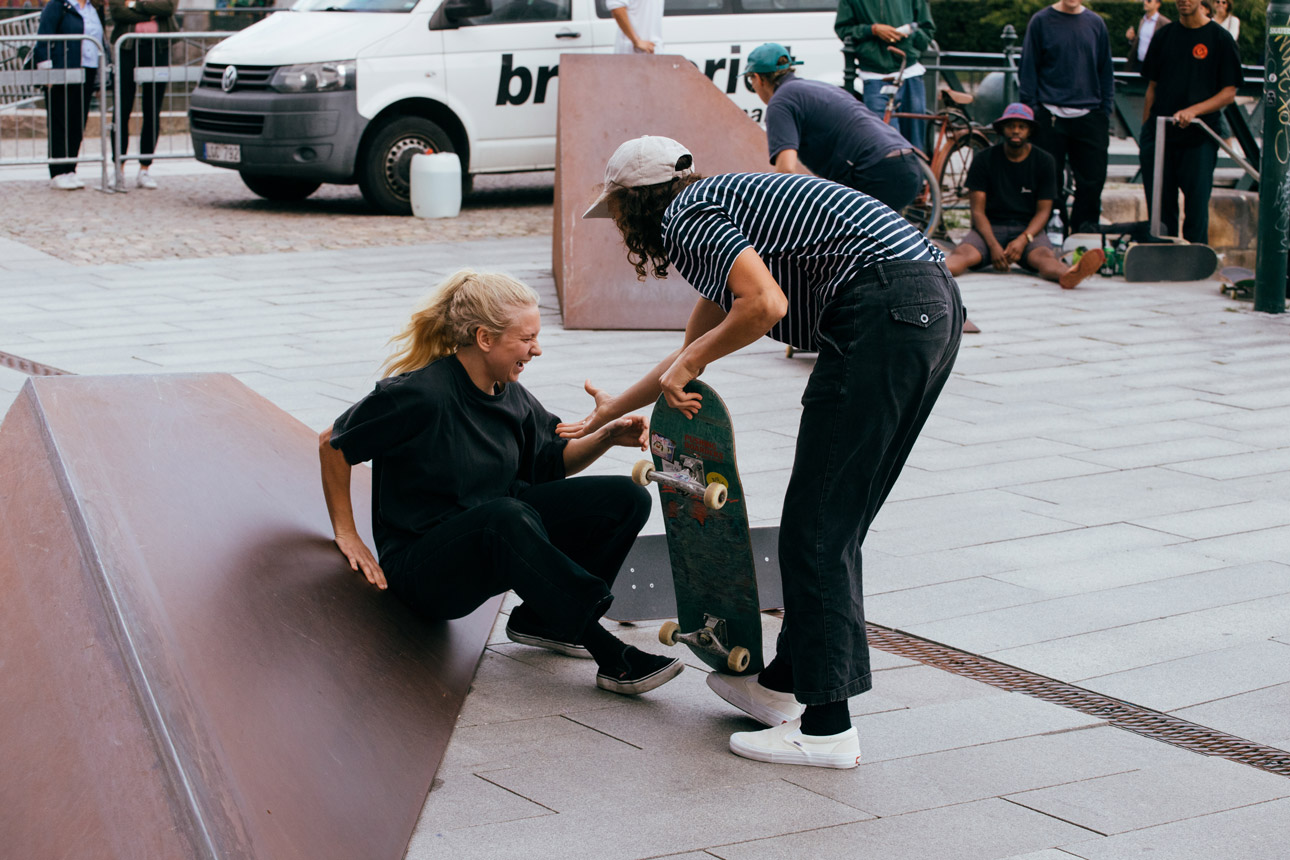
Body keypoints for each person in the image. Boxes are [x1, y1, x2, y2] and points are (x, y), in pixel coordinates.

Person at [572, 136, 961, 769]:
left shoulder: (688, 217)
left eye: (615, 212)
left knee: (815, 528)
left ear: (633, 202)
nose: (617, 226)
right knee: (835, 524)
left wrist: (694, 360)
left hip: (884, 311)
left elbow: (765, 306)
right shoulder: (725, 213)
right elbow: (685, 359)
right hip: (927, 304)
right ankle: (782, 684)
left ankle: (828, 729)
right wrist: (612, 409)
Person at [319, 269, 684, 697]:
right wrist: (346, 532)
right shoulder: (420, 394)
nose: (537, 349)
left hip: (497, 533)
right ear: (485, 338)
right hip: (424, 568)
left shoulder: (509, 393)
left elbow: (551, 463)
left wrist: (604, 437)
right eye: (526, 338)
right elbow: (333, 443)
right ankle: (610, 655)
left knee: (624, 498)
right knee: (505, 516)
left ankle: (544, 620)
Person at [744, 42, 921, 213]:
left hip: (876, 173)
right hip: (906, 163)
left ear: (758, 79)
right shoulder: (814, 87)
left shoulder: (780, 102)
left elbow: (787, 170)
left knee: (833, 233)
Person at [945, 104, 1104, 289]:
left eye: (1022, 126)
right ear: (1002, 129)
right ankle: (929, 272)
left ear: (1030, 130)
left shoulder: (1044, 161)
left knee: (1045, 258)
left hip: (1028, 230)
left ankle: (1070, 274)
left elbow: (1044, 211)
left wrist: (1023, 239)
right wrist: (994, 246)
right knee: (962, 255)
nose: (1016, 131)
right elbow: (977, 212)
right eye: (1011, 126)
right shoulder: (984, 159)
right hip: (989, 229)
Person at [1139, 0, 1241, 244]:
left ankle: (1194, 263)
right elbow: (1151, 88)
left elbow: (1229, 92)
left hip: (1199, 138)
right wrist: (1146, 135)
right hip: (1161, 136)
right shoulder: (1164, 36)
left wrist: (1194, 110)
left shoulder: (1220, 38)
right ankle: (1163, 259)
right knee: (1161, 210)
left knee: (1196, 208)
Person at [1019, 0, 1114, 235]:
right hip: (1050, 114)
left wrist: (1104, 111)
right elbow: (1028, 68)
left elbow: (1105, 70)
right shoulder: (1041, 21)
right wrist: (1033, 110)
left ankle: (1083, 233)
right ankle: (1052, 232)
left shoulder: (1096, 23)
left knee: (1092, 180)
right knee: (1050, 181)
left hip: (1090, 114)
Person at [834, 0, 936, 149]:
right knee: (884, 144)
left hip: (910, 72)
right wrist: (873, 30)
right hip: (874, 76)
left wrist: (909, 35)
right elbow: (843, 29)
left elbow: (927, 29)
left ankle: (918, 172)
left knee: (915, 144)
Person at [33, 0, 106, 190]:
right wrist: (46, 71)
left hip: (87, 69)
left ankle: (71, 168)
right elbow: (44, 35)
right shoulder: (58, 5)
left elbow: (100, 41)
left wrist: (101, 76)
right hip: (62, 68)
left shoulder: (94, 8)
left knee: (77, 121)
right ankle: (57, 171)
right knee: (59, 120)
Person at [109, 0, 177, 190]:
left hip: (158, 47)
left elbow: (168, 8)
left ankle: (144, 168)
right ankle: (118, 168)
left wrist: (135, 5)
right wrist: (150, 10)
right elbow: (118, 12)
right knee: (122, 107)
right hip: (127, 48)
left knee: (152, 109)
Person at [1126, 0, 1169, 74]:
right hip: (1139, 65)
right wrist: (1132, 39)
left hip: (1155, 67)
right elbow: (1142, 42)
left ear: (1157, 4)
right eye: (1144, 0)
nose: (1145, 2)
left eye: (1149, 1)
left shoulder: (1164, 23)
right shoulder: (1143, 20)